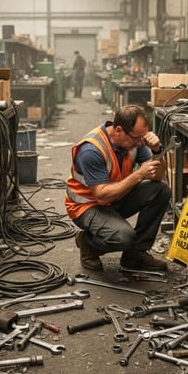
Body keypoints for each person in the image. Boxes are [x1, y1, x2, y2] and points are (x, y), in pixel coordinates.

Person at [65, 105, 170, 271]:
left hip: (115, 197)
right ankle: (87, 244)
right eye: (136, 139)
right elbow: (101, 196)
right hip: (88, 206)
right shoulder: (91, 149)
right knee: (123, 236)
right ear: (119, 130)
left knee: (161, 190)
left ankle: (135, 254)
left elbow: (158, 177)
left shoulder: (135, 140)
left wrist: (157, 150)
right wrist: (139, 175)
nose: (139, 143)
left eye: (142, 138)